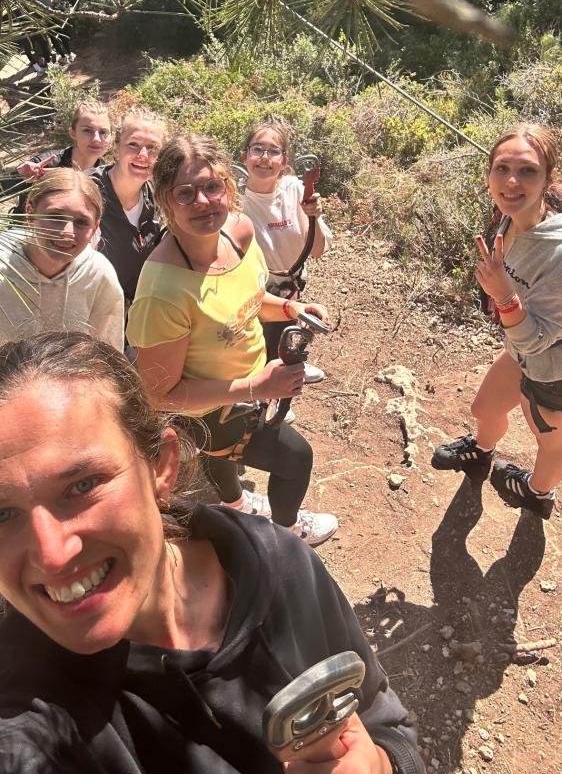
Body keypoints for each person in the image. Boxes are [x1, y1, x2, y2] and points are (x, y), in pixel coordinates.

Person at [0, 332, 424, 774]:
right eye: (2, 514)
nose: (51, 555)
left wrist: (381, 763)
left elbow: (379, 715)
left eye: (83, 485)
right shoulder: (23, 714)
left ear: (162, 467)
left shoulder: (276, 560)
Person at [127, 134, 338, 547]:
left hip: (246, 388)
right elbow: (157, 394)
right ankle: (288, 535)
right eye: (185, 193)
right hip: (211, 409)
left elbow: (250, 301)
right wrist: (256, 387)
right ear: (166, 201)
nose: (203, 202)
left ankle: (235, 503)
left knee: (220, 459)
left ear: (228, 185)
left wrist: (291, 308)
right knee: (296, 457)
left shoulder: (237, 231)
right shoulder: (163, 290)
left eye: (212, 186)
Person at [432, 123, 562, 519]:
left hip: (552, 370)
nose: (511, 181)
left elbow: (538, 338)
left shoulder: (557, 252)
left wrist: (504, 297)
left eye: (527, 171)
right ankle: (481, 453)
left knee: (551, 444)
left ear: (548, 178)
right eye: (502, 168)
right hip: (521, 351)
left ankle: (537, 494)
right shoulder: (510, 216)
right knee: (485, 408)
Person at [240, 119, 332, 396]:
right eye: (257, 149)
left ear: (284, 161)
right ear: (245, 156)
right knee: (255, 341)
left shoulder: (295, 189)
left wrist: (312, 216)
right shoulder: (234, 199)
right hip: (254, 288)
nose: (264, 158)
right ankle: (261, 390)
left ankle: (287, 370)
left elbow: (317, 250)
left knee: (287, 331)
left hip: (291, 282)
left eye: (273, 151)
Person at [0, 170, 123, 350]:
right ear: (30, 214)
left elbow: (108, 354)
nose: (67, 232)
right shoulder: (3, 267)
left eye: (81, 222)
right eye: (55, 217)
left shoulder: (98, 275)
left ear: (94, 228)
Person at [89, 108, 167, 307]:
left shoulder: (159, 197)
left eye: (152, 147)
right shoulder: (87, 192)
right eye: (133, 144)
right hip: (93, 310)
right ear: (116, 148)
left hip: (139, 313)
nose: (143, 155)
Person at [12, 99, 113, 214]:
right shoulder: (45, 165)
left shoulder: (106, 177)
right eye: (87, 131)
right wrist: (19, 176)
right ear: (73, 133)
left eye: (103, 132)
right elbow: (4, 189)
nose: (96, 139)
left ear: (112, 136)